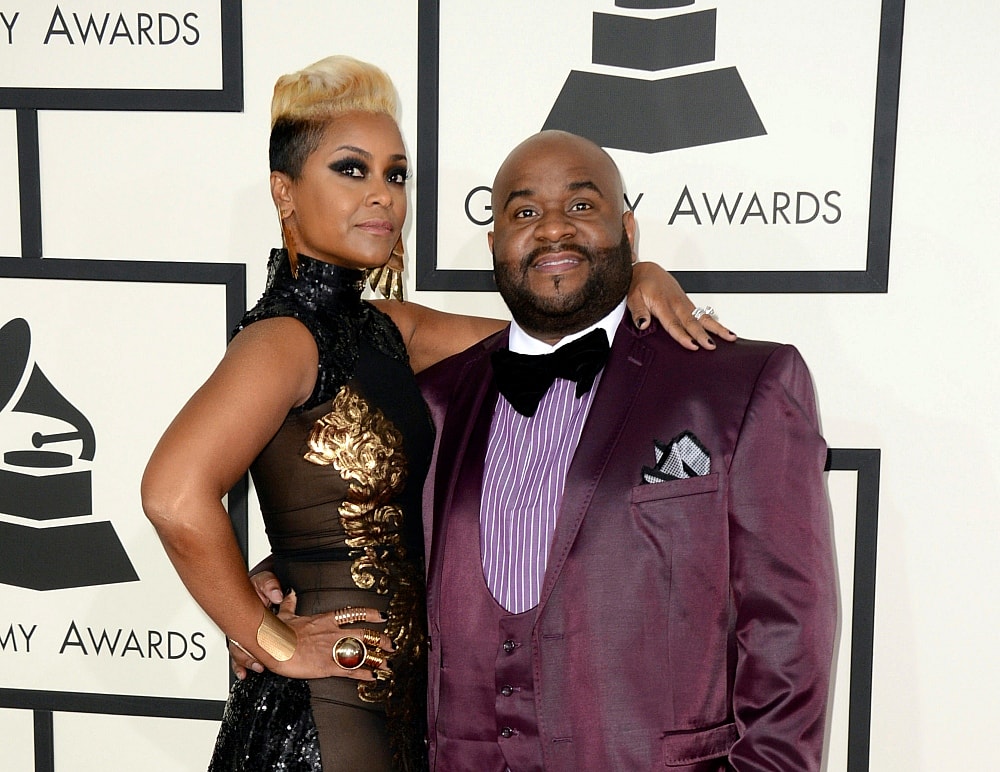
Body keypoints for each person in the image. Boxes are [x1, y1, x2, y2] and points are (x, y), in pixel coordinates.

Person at [141, 57, 731, 772]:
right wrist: (271, 638)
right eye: (352, 171)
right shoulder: (282, 341)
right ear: (284, 191)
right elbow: (173, 496)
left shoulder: (388, 330)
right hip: (325, 722)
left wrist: (636, 272)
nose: (383, 196)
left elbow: (552, 329)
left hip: (409, 714)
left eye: (396, 175)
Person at [412, 131, 838, 770]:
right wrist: (278, 583)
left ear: (629, 231)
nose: (553, 228)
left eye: (582, 206)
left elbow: (788, 634)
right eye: (524, 212)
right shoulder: (439, 400)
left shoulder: (739, 384)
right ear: (495, 242)